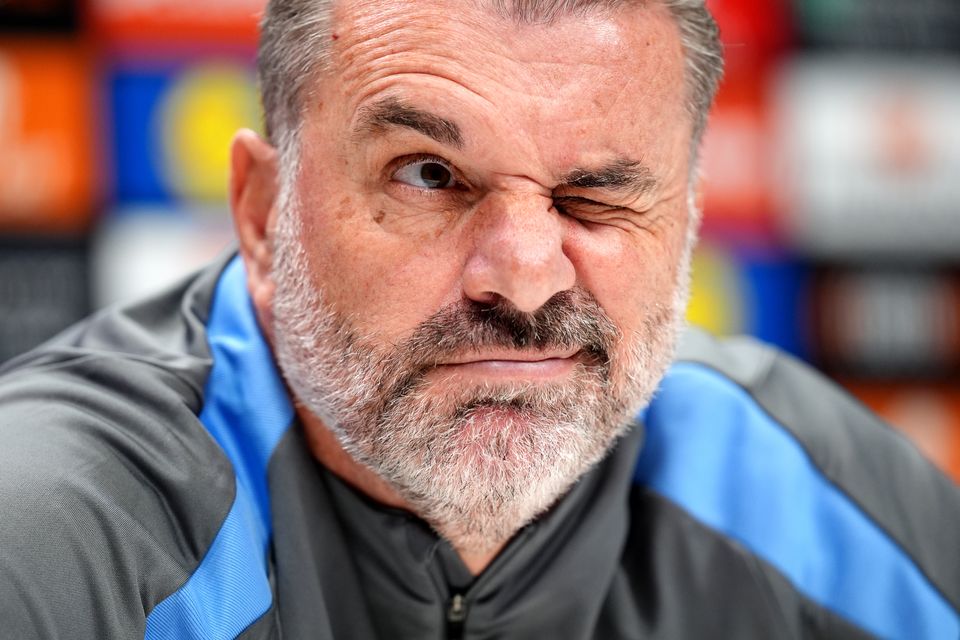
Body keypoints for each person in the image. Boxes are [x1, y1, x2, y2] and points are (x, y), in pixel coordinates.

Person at [1, 0, 958, 638]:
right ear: (262, 212)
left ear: (687, 225)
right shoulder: (54, 537)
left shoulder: (816, 501)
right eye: (428, 175)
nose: (527, 282)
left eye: (595, 194)